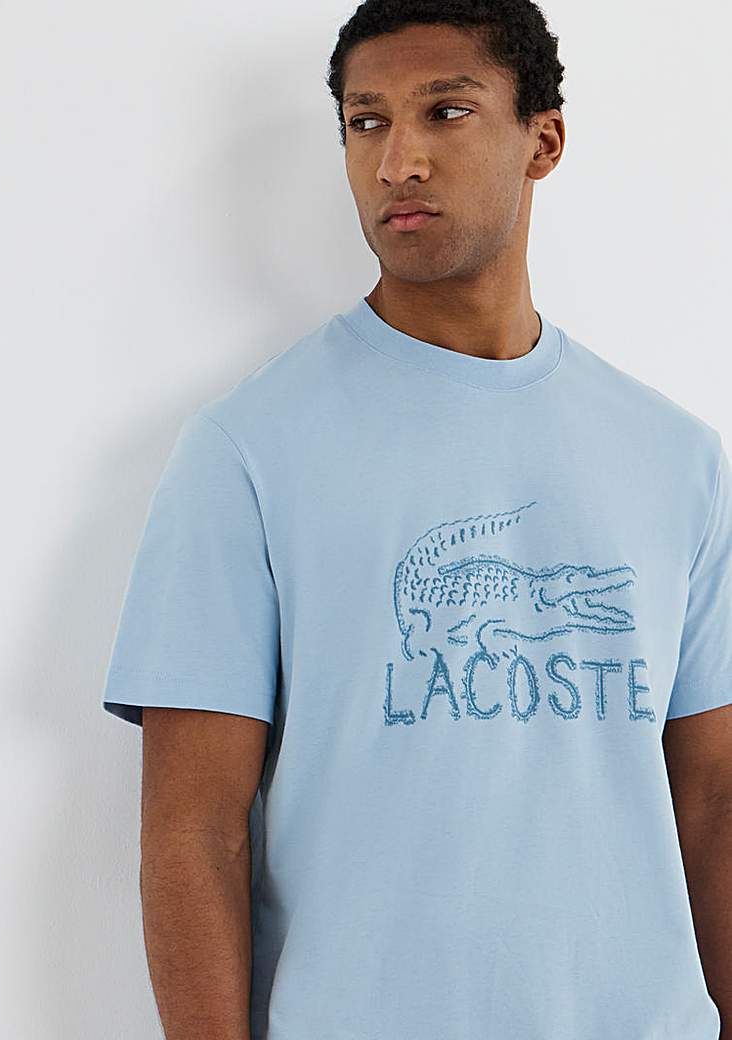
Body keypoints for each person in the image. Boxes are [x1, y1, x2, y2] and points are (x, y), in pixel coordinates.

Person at [101, 2, 732, 1038]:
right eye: (367, 122)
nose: (398, 161)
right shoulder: (248, 449)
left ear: (544, 140)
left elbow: (713, 803)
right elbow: (194, 830)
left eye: (446, 111)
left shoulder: (678, 457)